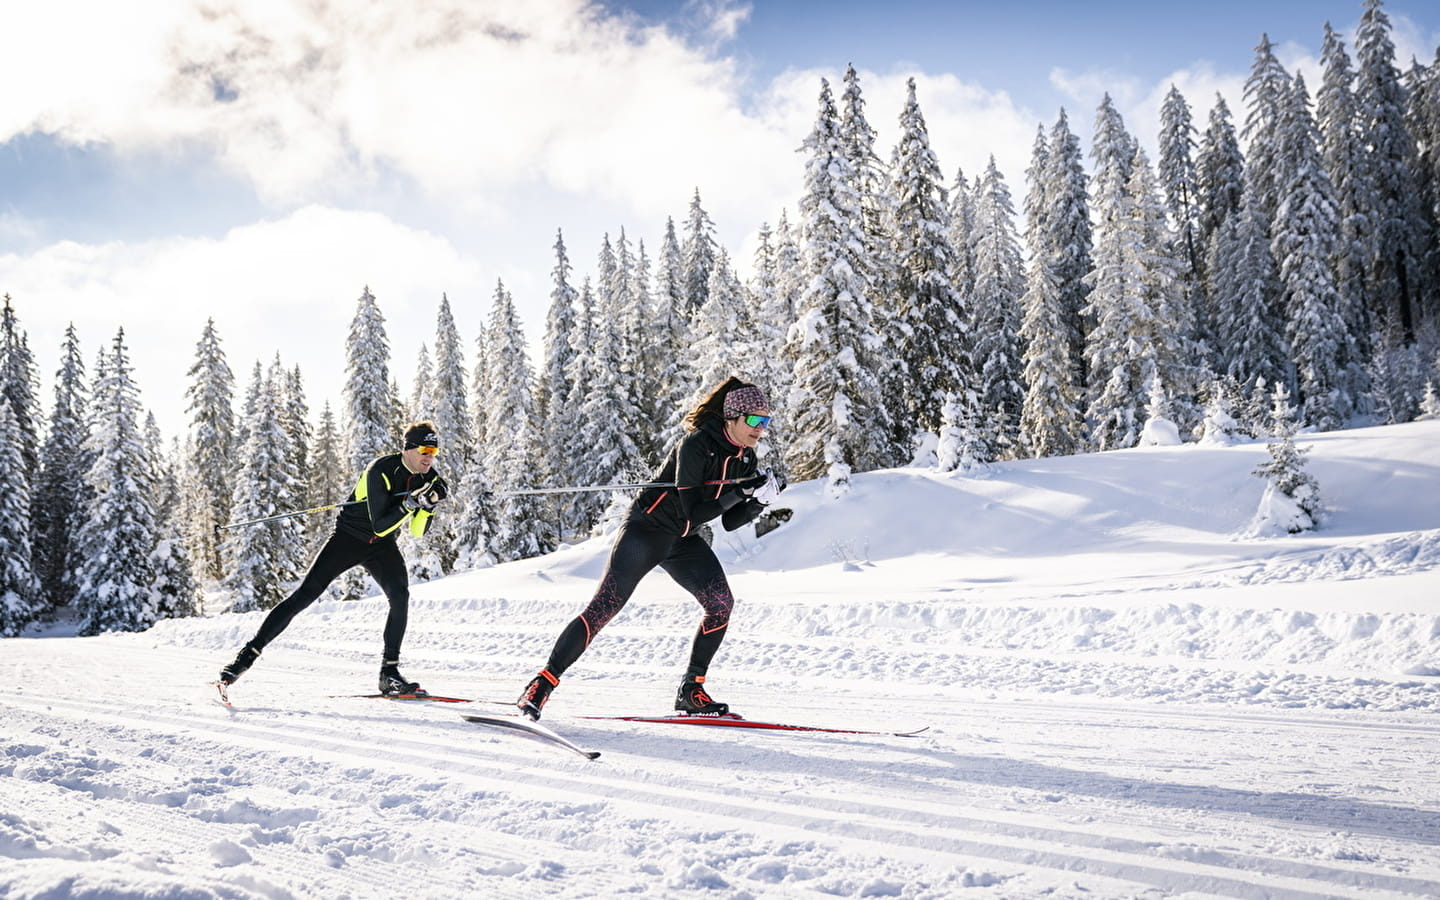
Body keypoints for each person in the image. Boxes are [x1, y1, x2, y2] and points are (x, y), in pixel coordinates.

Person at [517, 378, 785, 720]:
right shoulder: (696, 444)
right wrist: (741, 494)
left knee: (720, 605)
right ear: (731, 417)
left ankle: (692, 689)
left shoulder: (745, 458)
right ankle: (542, 683)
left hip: (683, 540)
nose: (760, 429)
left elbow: (730, 522)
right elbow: (694, 510)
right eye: (753, 420)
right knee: (604, 608)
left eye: (765, 421)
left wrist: (759, 501)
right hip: (646, 530)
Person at [217, 421, 449, 696]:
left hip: (382, 547)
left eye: (434, 451)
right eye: (424, 449)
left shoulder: (429, 478)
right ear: (408, 449)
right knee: (304, 595)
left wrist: (428, 507)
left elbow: (417, 531)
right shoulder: (380, 470)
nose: (429, 457)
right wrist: (410, 503)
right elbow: (380, 524)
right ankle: (244, 658)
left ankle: (389, 673)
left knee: (400, 596)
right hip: (348, 539)